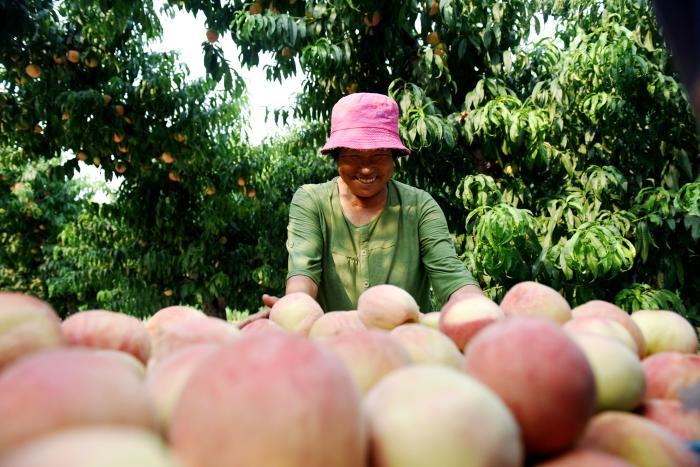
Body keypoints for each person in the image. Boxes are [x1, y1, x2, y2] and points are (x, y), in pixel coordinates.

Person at [249, 92, 481, 323]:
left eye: (379, 154)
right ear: (337, 156)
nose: (367, 168)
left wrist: (478, 311)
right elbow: (303, 275)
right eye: (352, 155)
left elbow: (451, 274)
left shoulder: (419, 207)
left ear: (394, 157)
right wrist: (293, 310)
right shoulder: (312, 202)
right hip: (333, 347)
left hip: (405, 348)